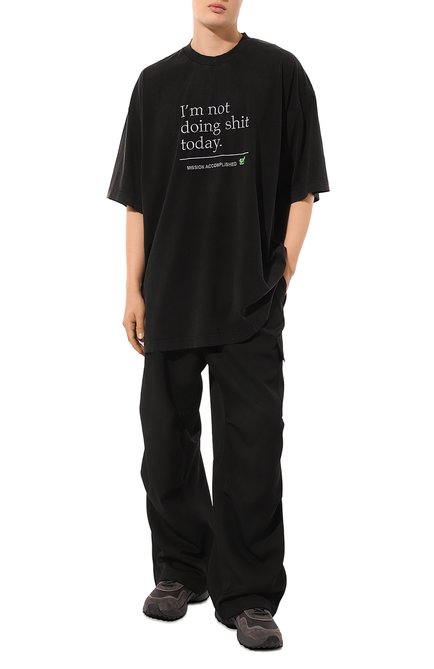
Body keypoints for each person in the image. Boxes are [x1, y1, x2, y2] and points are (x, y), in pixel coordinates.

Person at [106, 0, 329, 651]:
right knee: (166, 441)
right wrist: (133, 288)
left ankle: (250, 595)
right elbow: (137, 198)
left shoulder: (280, 74)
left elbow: (303, 186)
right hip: (171, 293)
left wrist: (281, 271)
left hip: (248, 297)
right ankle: (182, 571)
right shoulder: (155, 84)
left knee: (252, 448)